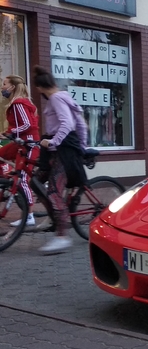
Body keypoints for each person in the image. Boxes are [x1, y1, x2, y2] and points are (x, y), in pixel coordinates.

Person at [32, 65, 88, 255]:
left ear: (41, 88)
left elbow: (68, 123)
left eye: (38, 89)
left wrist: (54, 142)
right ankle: (54, 217)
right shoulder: (63, 96)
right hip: (59, 148)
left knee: (55, 192)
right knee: (36, 181)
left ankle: (62, 237)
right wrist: (83, 144)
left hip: (63, 150)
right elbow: (80, 123)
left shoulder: (55, 98)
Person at [0, 74, 40, 226]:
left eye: (4, 84)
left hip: (28, 144)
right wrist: (7, 132)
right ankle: (8, 181)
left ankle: (29, 216)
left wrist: (11, 132)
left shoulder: (18, 103)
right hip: (20, 143)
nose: (2, 87)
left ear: (12, 87)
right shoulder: (18, 103)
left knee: (23, 179)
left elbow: (27, 125)